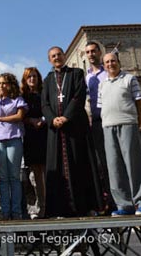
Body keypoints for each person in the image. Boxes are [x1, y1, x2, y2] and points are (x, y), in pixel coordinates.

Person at [42, 46, 101, 217]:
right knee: (57, 167)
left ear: (65, 55)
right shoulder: (47, 80)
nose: (57, 58)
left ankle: (84, 206)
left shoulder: (76, 73)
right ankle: (60, 208)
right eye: (53, 56)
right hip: (56, 131)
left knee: (79, 164)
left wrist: (66, 117)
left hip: (75, 127)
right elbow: (44, 104)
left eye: (59, 55)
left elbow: (78, 96)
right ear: (49, 60)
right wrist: (53, 119)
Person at [98, 52, 141, 216]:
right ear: (104, 65)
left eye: (112, 61)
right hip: (108, 127)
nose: (110, 64)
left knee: (134, 164)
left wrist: (136, 125)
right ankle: (124, 204)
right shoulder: (102, 84)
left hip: (128, 124)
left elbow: (140, 106)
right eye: (107, 62)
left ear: (119, 62)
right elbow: (103, 107)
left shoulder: (130, 79)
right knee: (114, 167)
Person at [0, 73, 27, 220]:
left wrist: (1, 118)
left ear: (11, 85)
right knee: (2, 178)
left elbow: (19, 117)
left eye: (5, 83)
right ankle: (5, 212)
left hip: (14, 139)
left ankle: (16, 212)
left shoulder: (17, 99)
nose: (1, 86)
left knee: (14, 177)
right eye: (0, 83)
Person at [85, 41, 114, 212]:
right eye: (87, 52)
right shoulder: (87, 77)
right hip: (96, 123)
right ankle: (108, 200)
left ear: (99, 52)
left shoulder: (109, 73)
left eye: (93, 51)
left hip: (111, 119)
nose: (91, 54)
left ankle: (121, 199)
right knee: (102, 162)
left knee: (115, 161)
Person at [20, 67, 47, 219]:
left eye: (34, 76)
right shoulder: (22, 96)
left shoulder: (44, 94)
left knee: (46, 172)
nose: (32, 79)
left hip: (45, 134)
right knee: (35, 174)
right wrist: (30, 120)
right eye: (29, 77)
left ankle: (47, 205)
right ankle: (39, 206)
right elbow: (19, 115)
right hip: (30, 136)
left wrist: (42, 120)